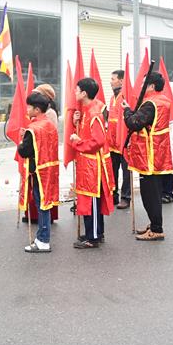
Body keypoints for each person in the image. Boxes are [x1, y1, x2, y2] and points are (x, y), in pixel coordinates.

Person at [123, 71, 173, 241]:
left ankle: (156, 228)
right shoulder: (163, 101)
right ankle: (154, 223)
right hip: (157, 152)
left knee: (150, 193)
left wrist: (126, 110)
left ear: (152, 86)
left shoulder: (150, 104)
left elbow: (134, 122)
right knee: (153, 191)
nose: (141, 87)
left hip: (149, 155)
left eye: (144, 84)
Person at [69, 78, 114, 248]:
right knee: (90, 200)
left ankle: (93, 237)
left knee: (92, 200)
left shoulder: (94, 113)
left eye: (77, 89)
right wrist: (76, 122)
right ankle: (94, 232)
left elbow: (98, 141)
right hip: (87, 163)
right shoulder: (87, 109)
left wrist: (77, 142)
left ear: (84, 93)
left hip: (92, 165)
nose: (75, 92)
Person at [17, 91, 60, 253]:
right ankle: (43, 237)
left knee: (41, 205)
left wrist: (22, 139)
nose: (27, 110)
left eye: (29, 107)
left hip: (38, 172)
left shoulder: (33, 128)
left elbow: (24, 151)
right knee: (45, 205)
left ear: (36, 109)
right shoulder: (49, 124)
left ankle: (43, 240)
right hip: (49, 169)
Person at [28, 84, 60, 225]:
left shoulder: (50, 113)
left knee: (43, 190)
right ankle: (35, 216)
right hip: (39, 153)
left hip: (45, 156)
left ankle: (45, 222)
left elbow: (49, 134)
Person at [106, 70, 132, 209]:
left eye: (113, 78)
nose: (110, 81)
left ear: (121, 81)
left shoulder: (126, 97)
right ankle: (113, 195)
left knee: (126, 170)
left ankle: (126, 197)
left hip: (124, 140)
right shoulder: (112, 98)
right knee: (112, 169)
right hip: (111, 141)